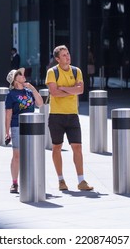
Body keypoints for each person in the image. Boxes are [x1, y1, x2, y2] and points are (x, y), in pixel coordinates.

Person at [45, 45, 94, 191]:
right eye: (64, 55)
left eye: (68, 54)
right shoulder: (52, 72)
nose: (68, 57)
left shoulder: (76, 71)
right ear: (57, 59)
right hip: (56, 116)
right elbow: (54, 93)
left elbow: (81, 90)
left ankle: (81, 181)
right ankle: (61, 180)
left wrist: (64, 89)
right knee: (57, 147)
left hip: (73, 115)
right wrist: (72, 90)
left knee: (77, 147)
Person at [5, 68, 43, 193]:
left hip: (31, 127)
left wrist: (33, 88)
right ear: (15, 80)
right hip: (17, 126)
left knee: (32, 154)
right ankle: (14, 183)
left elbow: (40, 103)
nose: (23, 75)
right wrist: (7, 132)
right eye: (20, 74)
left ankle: (31, 181)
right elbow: (8, 115)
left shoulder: (29, 92)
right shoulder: (11, 95)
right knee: (17, 155)